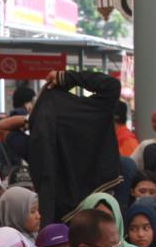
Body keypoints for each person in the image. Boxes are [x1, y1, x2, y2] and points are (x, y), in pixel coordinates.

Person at [28, 70, 122, 225]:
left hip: (63, 214)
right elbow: (112, 85)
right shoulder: (89, 110)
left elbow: (8, 135)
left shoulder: (41, 130)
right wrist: (66, 77)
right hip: (100, 197)